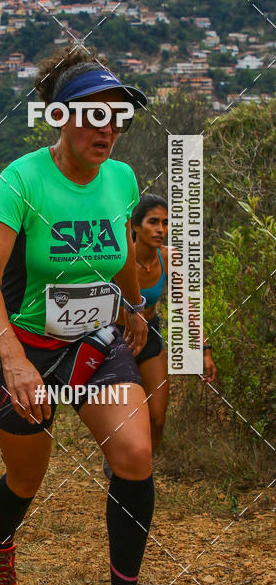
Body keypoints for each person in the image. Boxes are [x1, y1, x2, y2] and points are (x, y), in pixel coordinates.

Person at [0, 46, 174, 585]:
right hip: (25, 347)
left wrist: (134, 306)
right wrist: (10, 358)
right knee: (27, 478)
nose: (106, 127)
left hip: (93, 344)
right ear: (59, 119)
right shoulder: (23, 178)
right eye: (91, 114)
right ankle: (0, 545)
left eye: (116, 116)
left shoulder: (123, 179)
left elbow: (117, 258)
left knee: (135, 452)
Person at [114, 194, 217, 455]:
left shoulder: (169, 257)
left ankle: (142, 471)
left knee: (157, 417)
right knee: (123, 414)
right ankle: (122, 465)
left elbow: (184, 304)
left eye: (166, 223)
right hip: (116, 338)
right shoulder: (117, 256)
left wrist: (204, 348)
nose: (161, 230)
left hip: (149, 334)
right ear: (134, 226)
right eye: (153, 222)